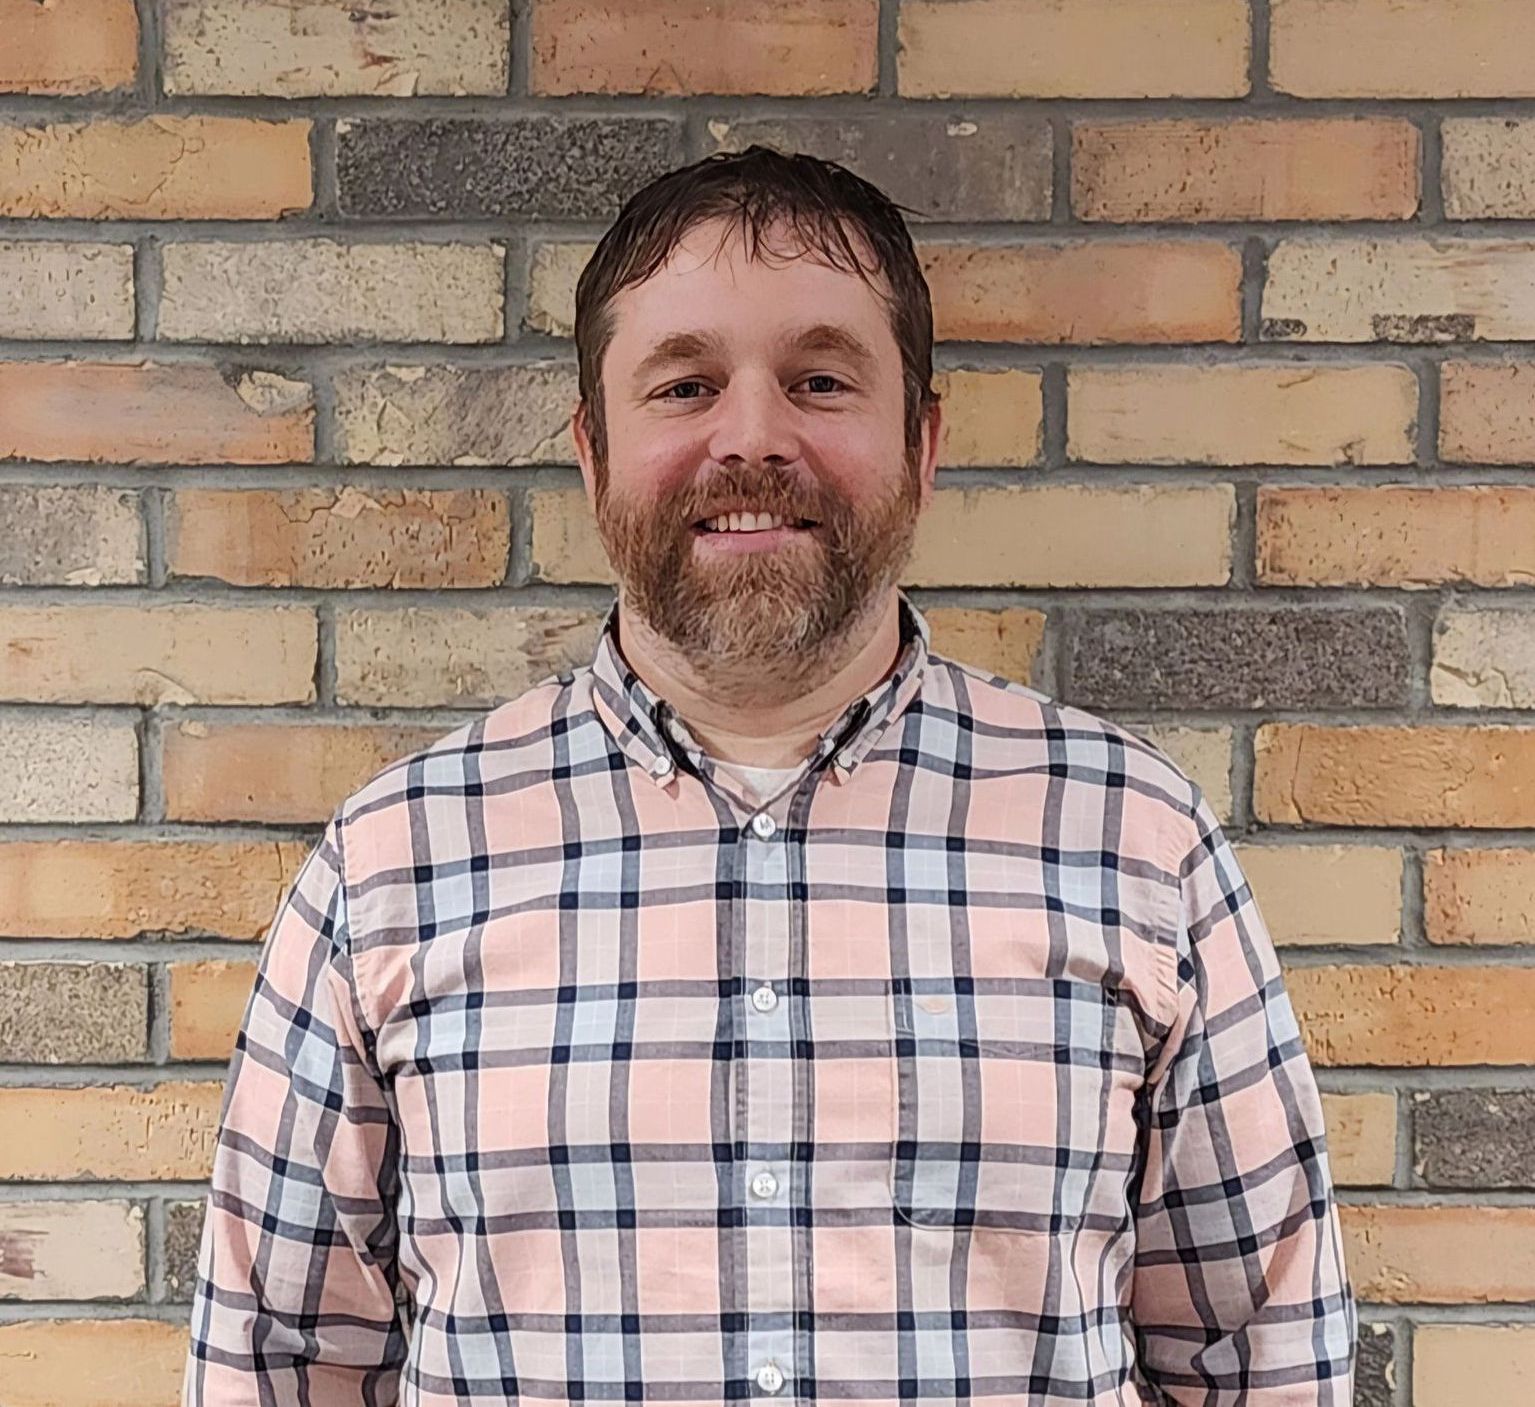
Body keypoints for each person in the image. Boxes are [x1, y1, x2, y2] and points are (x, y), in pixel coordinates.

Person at [183, 146, 1356, 1406]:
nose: (752, 437)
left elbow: (1259, 1352)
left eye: (819, 380)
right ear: (590, 454)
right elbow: (283, 1362)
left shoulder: (1132, 841)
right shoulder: (391, 867)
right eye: (684, 385)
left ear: (922, 444)